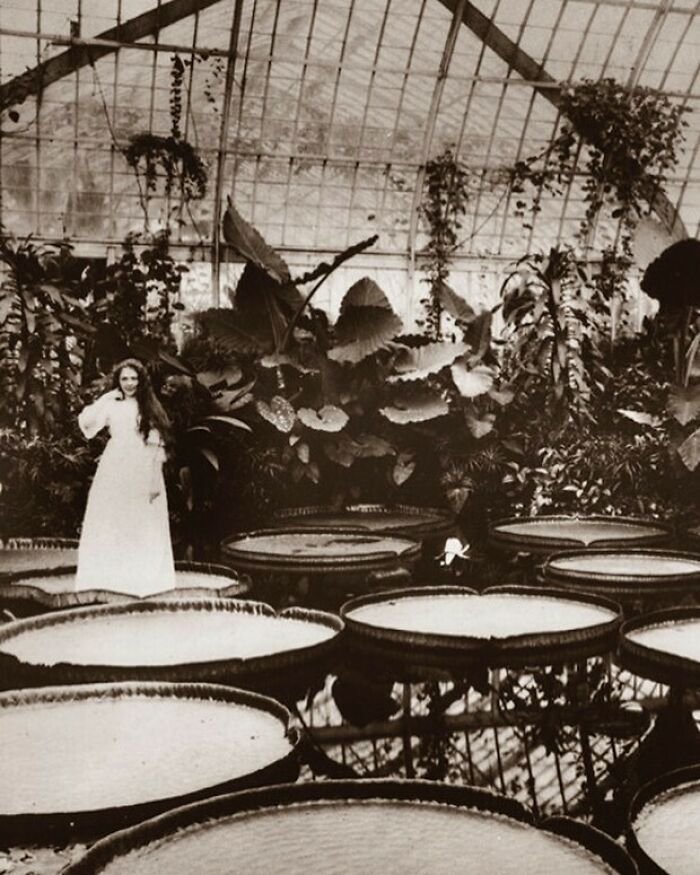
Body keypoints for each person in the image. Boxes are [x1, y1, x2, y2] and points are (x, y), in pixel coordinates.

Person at [75, 358, 177, 596]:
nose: (129, 384)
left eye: (134, 378)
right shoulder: (112, 403)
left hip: (143, 466)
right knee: (111, 518)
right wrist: (104, 398)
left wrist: (153, 478)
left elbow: (156, 443)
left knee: (142, 521)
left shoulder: (148, 406)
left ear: (141, 380)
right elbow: (87, 423)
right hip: (114, 467)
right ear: (117, 381)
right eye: (124, 379)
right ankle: (110, 580)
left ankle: (142, 580)